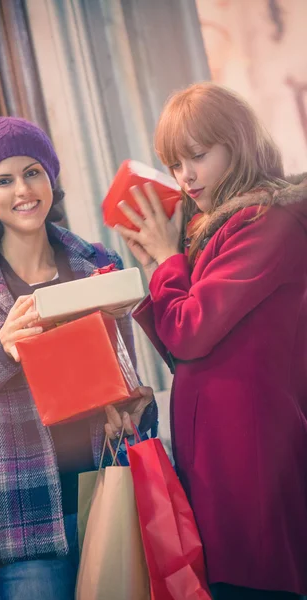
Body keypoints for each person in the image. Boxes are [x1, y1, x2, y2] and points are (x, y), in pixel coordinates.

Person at [0, 116, 157, 600]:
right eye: (3, 180)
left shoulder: (95, 263)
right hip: (17, 520)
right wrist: (0, 349)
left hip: (107, 493)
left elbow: (123, 382)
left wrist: (133, 407)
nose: (23, 190)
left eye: (33, 172)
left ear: (50, 177)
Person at [115, 82, 307, 600]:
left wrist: (165, 258)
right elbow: (183, 352)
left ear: (237, 143)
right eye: (175, 164)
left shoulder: (269, 221)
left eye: (198, 156)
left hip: (252, 454)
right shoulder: (219, 227)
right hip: (221, 452)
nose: (186, 177)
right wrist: (161, 262)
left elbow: (190, 330)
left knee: (256, 585)